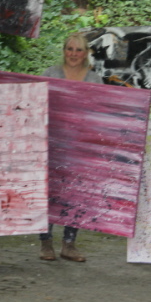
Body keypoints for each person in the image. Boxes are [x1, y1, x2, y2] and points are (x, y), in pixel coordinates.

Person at [38, 33, 101, 263]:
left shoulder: (95, 79)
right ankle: (46, 242)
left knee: (76, 193)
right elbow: (36, 103)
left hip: (80, 146)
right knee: (50, 192)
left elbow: (100, 113)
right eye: (70, 49)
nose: (73, 54)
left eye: (79, 50)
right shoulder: (50, 74)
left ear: (86, 53)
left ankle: (69, 244)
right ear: (64, 50)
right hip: (52, 142)